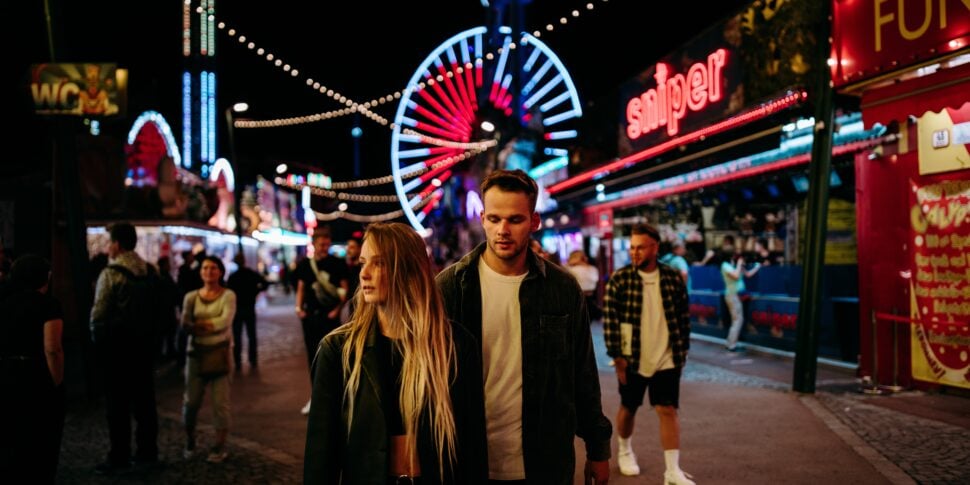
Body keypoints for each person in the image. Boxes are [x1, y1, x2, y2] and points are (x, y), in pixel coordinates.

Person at [436, 169, 612, 484]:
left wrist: (598, 449)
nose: (503, 230)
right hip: (468, 460)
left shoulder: (562, 288)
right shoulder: (450, 288)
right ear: (482, 218)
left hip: (545, 461)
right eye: (494, 219)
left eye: (515, 220)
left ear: (534, 222)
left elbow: (582, 374)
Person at [304, 222, 487, 484]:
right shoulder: (338, 351)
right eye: (362, 262)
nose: (364, 274)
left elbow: (473, 446)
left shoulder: (455, 345)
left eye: (378, 263)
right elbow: (320, 455)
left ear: (409, 269)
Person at [603, 224, 694, 484]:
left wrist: (682, 351)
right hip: (632, 358)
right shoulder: (620, 279)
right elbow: (611, 321)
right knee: (628, 408)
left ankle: (672, 471)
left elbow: (683, 317)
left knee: (668, 409)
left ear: (654, 248)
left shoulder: (672, 278)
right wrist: (617, 356)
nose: (634, 252)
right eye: (632, 247)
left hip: (667, 356)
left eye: (640, 247)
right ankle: (624, 450)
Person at [89, 222, 159, 474]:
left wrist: (98, 345)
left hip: (117, 351)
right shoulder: (150, 270)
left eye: (110, 242)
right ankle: (147, 453)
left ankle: (119, 455)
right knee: (145, 403)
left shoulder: (111, 274)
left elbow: (98, 315)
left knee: (117, 406)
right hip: (144, 348)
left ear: (116, 244)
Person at [0, 255, 65, 483]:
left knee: (11, 437)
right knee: (40, 439)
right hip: (36, 375)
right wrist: (56, 382)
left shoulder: (5, 302)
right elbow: (52, 349)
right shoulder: (48, 305)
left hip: (7, 374)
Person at [181, 255, 237, 463]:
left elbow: (225, 322)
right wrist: (205, 325)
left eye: (213, 268)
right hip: (195, 355)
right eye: (205, 268)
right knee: (191, 401)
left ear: (221, 272)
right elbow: (185, 322)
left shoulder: (228, 295)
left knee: (220, 403)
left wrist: (200, 324)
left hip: (220, 355)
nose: (209, 272)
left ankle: (219, 445)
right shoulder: (191, 297)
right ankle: (189, 439)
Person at [294, 227, 350, 414]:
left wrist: (336, 311)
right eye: (321, 244)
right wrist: (299, 309)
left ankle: (334, 397)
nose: (324, 247)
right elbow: (301, 287)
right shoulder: (305, 265)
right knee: (312, 357)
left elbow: (345, 289)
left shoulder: (337, 263)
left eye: (327, 244)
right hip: (310, 317)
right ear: (314, 244)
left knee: (332, 355)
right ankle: (315, 397)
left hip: (329, 317)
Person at [227, 253, 269, 369]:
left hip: (238, 309)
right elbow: (265, 284)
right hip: (249, 307)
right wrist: (255, 291)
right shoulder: (251, 273)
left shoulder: (233, 276)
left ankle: (238, 362)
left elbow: (228, 292)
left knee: (237, 336)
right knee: (251, 335)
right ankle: (253, 359)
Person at [721, 252, 761, 352]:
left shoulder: (734, 266)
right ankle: (731, 346)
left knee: (737, 319)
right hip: (732, 295)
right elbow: (736, 276)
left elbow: (748, 274)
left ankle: (730, 343)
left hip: (738, 296)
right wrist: (739, 264)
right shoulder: (725, 265)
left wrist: (757, 267)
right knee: (737, 320)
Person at [156, 255, 180, 363]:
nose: (169, 266)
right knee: (167, 333)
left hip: (165, 310)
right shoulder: (163, 278)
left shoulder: (163, 277)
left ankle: (167, 352)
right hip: (165, 310)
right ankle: (167, 353)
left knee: (168, 333)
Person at [567, 249, 602, 322]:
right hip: (580, 299)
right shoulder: (572, 270)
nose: (584, 258)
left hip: (590, 299)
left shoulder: (592, 269)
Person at [339, 234, 362, 323]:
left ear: (360, 249)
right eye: (348, 247)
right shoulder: (347, 268)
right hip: (351, 310)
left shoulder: (363, 270)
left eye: (352, 247)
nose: (348, 250)